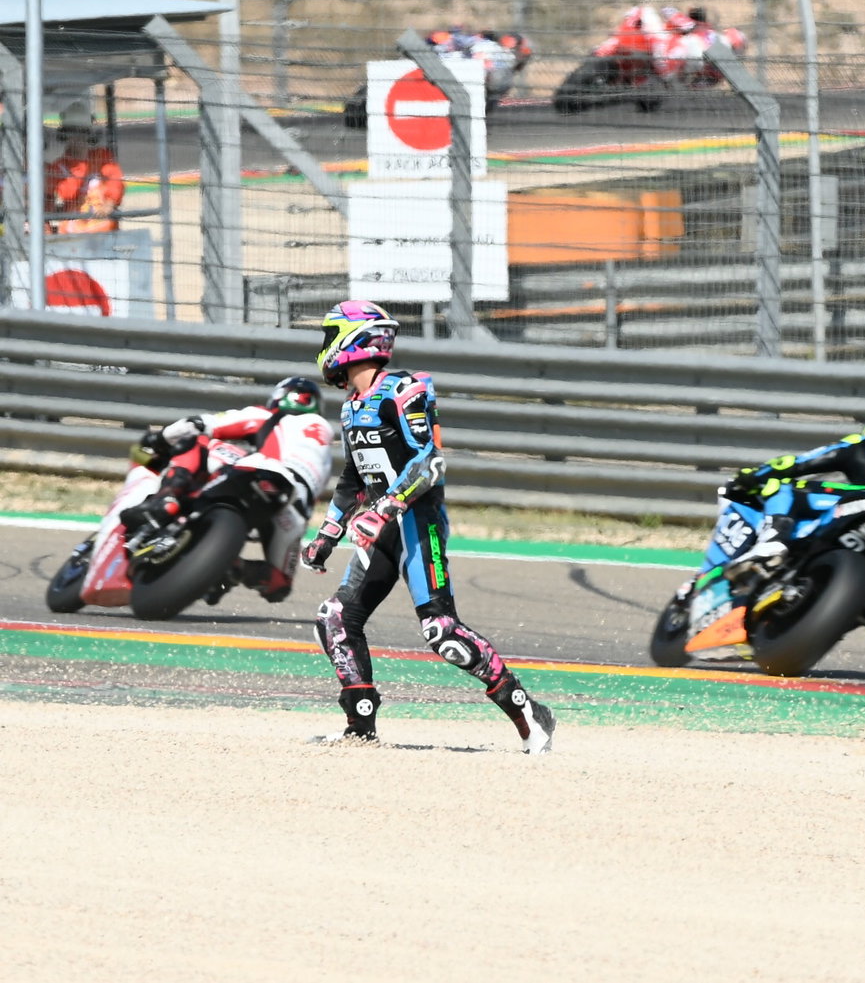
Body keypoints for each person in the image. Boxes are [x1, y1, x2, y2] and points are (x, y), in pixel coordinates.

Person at [300, 300, 556, 753]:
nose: (324, 347)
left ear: (353, 341)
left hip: (418, 523)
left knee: (441, 631)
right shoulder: (350, 405)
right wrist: (327, 532)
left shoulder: (405, 390)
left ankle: (527, 712)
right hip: (379, 530)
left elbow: (428, 462)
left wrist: (387, 508)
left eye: (329, 335)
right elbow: (353, 479)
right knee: (336, 618)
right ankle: (361, 725)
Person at [717, 408, 865, 651]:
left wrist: (754, 476)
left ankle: (773, 541)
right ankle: (864, 608)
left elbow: (795, 463)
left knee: (785, 488)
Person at [118, 376, 334, 604]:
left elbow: (201, 424)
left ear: (279, 398)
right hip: (293, 509)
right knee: (278, 583)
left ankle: (167, 498)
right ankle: (233, 568)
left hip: (261, 471)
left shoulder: (270, 415)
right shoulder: (326, 444)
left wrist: (160, 438)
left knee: (197, 440)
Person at [44, 101, 124, 235]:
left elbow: (115, 182)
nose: (78, 137)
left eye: (82, 131)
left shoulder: (102, 157)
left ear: (89, 133)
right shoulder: (58, 167)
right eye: (72, 131)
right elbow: (60, 197)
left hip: (104, 231)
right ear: (64, 134)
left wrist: (109, 203)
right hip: (74, 234)